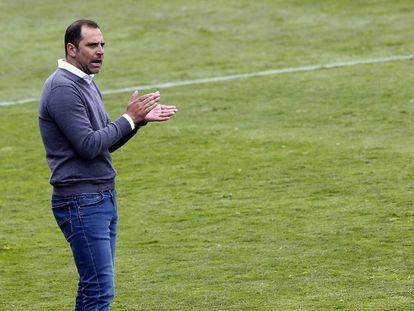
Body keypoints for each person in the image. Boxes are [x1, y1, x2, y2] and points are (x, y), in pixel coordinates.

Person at [38, 19, 177, 310]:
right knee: (100, 291)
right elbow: (88, 146)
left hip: (99, 197)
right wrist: (128, 119)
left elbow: (105, 142)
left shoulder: (85, 83)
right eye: (92, 45)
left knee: (94, 288)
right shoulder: (63, 88)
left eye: (102, 44)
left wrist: (136, 123)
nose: (100, 51)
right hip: (81, 200)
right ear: (71, 49)